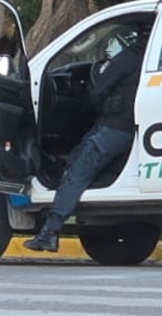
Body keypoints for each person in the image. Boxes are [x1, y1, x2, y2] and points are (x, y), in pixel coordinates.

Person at [23, 31, 147, 251]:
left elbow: (98, 91)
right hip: (132, 130)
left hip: (116, 129)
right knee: (79, 157)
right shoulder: (157, 60)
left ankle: (50, 232)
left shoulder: (128, 58)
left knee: (76, 175)